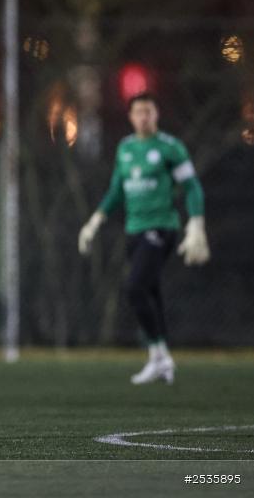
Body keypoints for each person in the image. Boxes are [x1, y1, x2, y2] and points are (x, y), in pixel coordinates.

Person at [78, 92, 210, 385]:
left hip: (161, 228)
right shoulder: (125, 148)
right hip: (134, 230)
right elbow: (116, 190)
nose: (144, 117)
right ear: (131, 116)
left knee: (135, 287)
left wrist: (196, 223)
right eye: (139, 112)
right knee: (150, 292)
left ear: (156, 114)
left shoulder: (169, 147)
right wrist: (95, 220)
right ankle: (161, 360)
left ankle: (158, 354)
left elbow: (192, 187)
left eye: (149, 112)